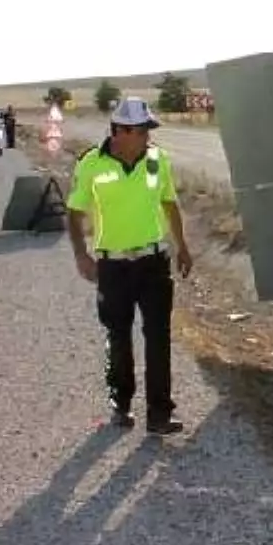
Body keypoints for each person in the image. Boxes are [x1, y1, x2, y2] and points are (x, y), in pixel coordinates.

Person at [64, 96, 193, 435]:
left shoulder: (157, 160)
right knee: (118, 335)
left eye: (149, 129)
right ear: (121, 130)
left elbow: (170, 203)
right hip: (114, 267)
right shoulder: (91, 164)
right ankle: (121, 403)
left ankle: (159, 414)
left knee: (159, 337)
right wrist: (81, 254)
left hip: (153, 262)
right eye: (142, 130)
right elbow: (74, 213)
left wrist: (183, 247)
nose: (148, 136)